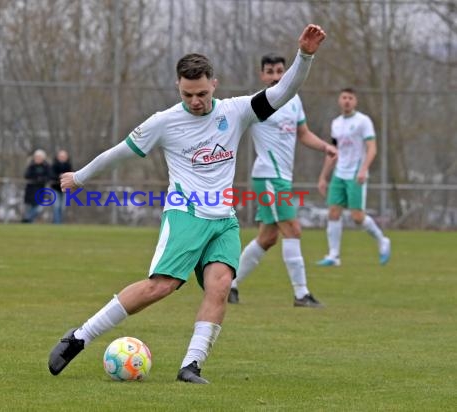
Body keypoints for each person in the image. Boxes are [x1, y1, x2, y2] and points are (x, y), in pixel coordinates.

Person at [50, 25, 326, 384]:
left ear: (214, 83)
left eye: (200, 93)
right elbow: (119, 153)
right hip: (186, 215)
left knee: (221, 286)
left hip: (223, 219)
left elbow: (284, 90)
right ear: (178, 88)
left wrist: (305, 55)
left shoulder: (237, 111)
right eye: (187, 94)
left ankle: (190, 366)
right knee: (159, 287)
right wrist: (80, 177)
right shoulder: (164, 122)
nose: (195, 101)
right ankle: (79, 337)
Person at [228, 54, 337, 307]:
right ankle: (301, 294)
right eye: (269, 71)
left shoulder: (294, 99)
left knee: (268, 238)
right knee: (293, 229)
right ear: (262, 75)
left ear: (286, 72)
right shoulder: (258, 103)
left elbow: (303, 133)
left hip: (281, 178)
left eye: (279, 71)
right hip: (268, 176)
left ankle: (230, 285)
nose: (275, 76)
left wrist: (325, 148)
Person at [316, 88, 391, 266]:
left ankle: (382, 240)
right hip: (339, 173)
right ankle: (334, 256)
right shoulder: (336, 123)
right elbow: (333, 151)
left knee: (357, 217)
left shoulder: (363, 121)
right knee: (333, 212)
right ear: (339, 101)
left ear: (355, 101)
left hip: (356, 173)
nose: (347, 101)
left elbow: (372, 148)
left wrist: (364, 169)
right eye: (344, 97)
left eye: (350, 98)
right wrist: (323, 177)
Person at [22, 149, 51, 223]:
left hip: (41, 189)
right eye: (37, 157)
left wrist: (41, 179)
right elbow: (26, 175)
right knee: (30, 206)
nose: (38, 159)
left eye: (40, 157)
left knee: (39, 208)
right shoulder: (31, 165)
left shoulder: (46, 166)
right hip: (30, 190)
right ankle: (29, 222)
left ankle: (27, 218)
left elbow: (49, 176)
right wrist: (36, 177)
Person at [50, 149, 73, 224]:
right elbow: (51, 176)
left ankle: (60, 222)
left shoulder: (69, 166)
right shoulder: (54, 165)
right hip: (55, 188)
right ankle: (57, 223)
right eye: (61, 156)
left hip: (66, 190)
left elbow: (72, 176)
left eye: (64, 156)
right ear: (58, 157)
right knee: (56, 206)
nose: (62, 158)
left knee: (63, 207)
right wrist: (59, 177)